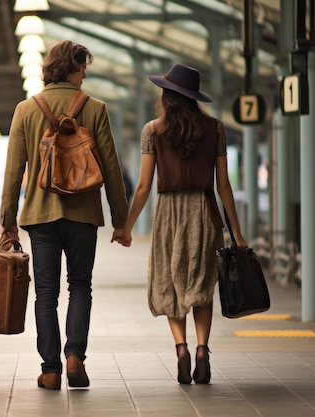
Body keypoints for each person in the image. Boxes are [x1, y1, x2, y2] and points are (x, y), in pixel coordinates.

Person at [0, 40, 129, 390]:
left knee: (45, 293)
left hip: (40, 217)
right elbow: (111, 168)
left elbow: (14, 171)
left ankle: (51, 369)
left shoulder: (26, 110)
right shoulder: (95, 108)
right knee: (80, 286)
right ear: (68, 68)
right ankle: (75, 358)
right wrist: (121, 220)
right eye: (82, 66)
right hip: (83, 213)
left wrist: (7, 221)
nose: (85, 72)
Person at [117, 64, 247, 384]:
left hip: (168, 214)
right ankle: (203, 350)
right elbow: (224, 186)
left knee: (171, 282)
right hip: (204, 211)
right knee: (202, 286)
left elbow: (144, 185)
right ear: (193, 98)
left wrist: (127, 226)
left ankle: (182, 349)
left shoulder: (152, 131)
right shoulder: (215, 129)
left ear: (167, 96)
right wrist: (238, 234)